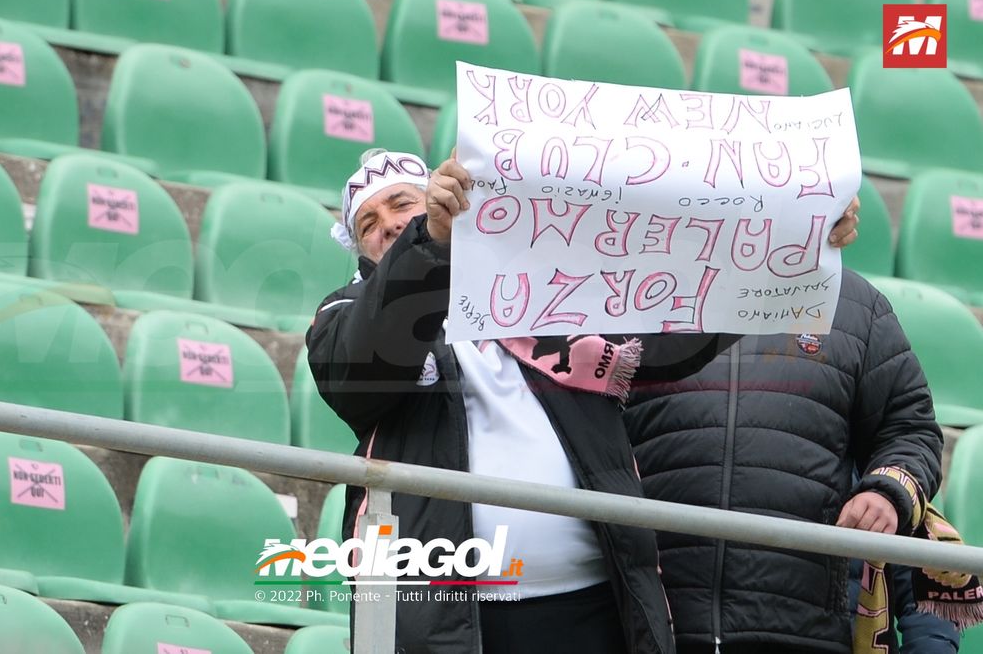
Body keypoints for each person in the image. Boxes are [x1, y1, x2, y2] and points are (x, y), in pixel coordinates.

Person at [307, 148, 861, 654]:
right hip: (446, 616)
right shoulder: (344, 316)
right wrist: (428, 246)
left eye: (402, 203)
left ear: (442, 195)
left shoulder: (549, 286)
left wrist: (796, 242)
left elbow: (668, 337)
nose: (389, 226)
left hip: (593, 604)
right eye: (369, 226)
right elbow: (365, 370)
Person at [622, 269, 946, 654]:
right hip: (650, 620)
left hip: (808, 626)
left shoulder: (858, 306)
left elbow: (910, 430)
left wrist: (887, 492)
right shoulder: (632, 290)